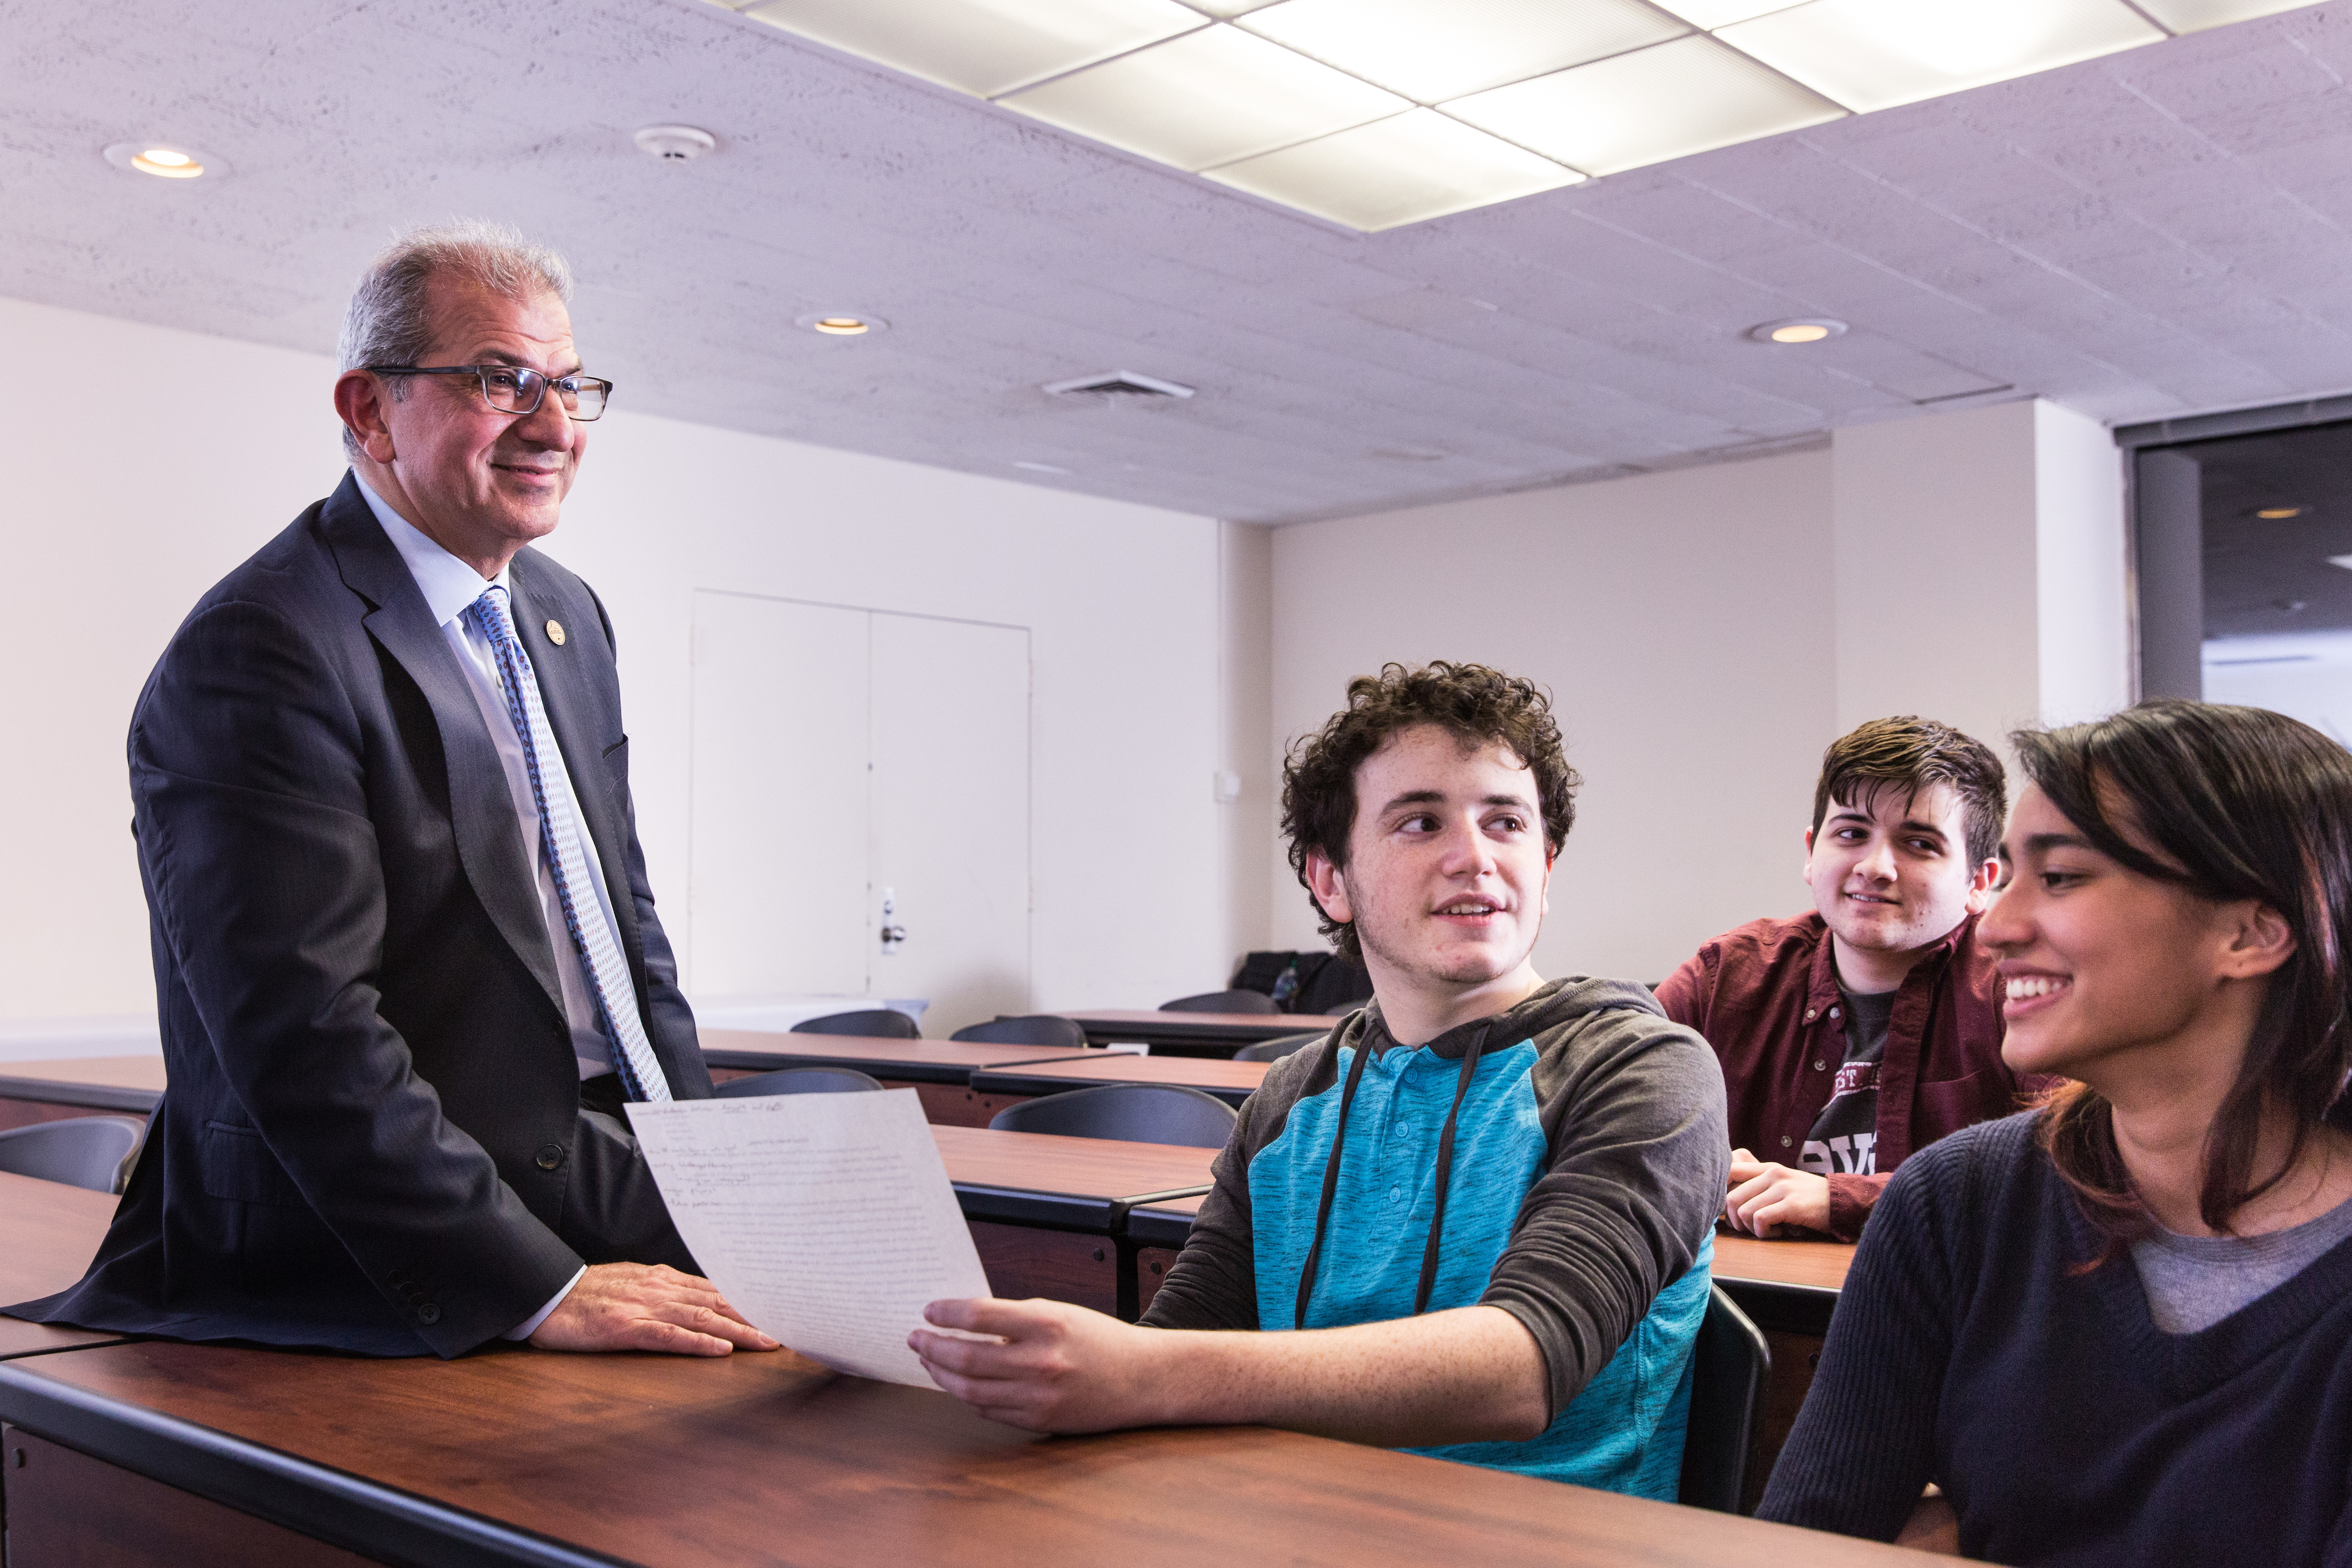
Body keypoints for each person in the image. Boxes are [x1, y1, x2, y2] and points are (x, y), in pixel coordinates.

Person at [11, 222, 776, 1361]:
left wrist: (711, 1174)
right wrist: (540, 1292)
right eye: (499, 379)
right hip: (382, 1233)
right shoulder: (265, 641)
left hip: (597, 1156)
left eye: (568, 385)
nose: (555, 425)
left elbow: (623, 932)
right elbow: (305, 1033)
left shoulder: (565, 612)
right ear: (370, 412)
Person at [910, 662, 1727, 1497]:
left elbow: (1524, 1365)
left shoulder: (1643, 1070)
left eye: (1507, 823)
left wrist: (1149, 1374)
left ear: (1546, 868)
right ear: (1330, 879)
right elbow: (1185, 1333)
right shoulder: (1294, 1094)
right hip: (1301, 1524)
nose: (1475, 858)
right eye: (1420, 822)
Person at [1762, 700, 2352, 1565]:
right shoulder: (1954, 1204)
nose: (1995, 928)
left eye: (2064, 877)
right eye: (2006, 879)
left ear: (2252, 930)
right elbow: (1805, 1543)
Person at [1658, 716, 2046, 1242]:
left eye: (1919, 843)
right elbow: (1600, 1108)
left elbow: (2065, 1176)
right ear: (1812, 852)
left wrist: (1839, 1199)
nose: (1876, 865)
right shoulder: (1729, 973)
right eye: (1851, 834)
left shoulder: (2020, 985)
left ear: (1980, 881)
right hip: (1750, 1305)